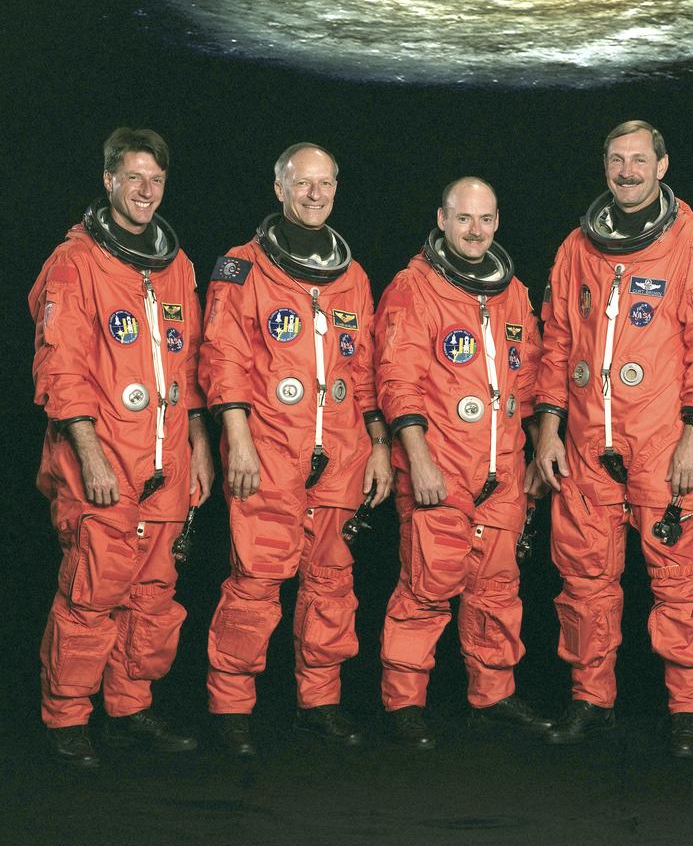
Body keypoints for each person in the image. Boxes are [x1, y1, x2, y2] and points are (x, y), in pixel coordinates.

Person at [533, 120, 693, 758]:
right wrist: (547, 425)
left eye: (639, 160)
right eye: (617, 160)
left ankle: (688, 710)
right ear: (605, 168)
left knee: (677, 580)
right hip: (588, 444)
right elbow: (557, 339)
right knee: (586, 580)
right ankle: (591, 700)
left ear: (663, 165)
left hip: (663, 443)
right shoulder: (576, 247)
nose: (628, 171)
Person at [30, 127, 214, 767]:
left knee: (152, 597)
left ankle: (130, 709)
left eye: (155, 180)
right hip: (102, 463)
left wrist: (199, 446)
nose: (144, 190)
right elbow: (61, 372)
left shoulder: (176, 265)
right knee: (91, 594)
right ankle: (67, 719)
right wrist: (91, 456)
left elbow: (187, 367)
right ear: (108, 180)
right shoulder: (75, 264)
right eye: (132, 177)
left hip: (165, 465)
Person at [201, 143, 391, 756]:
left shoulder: (353, 275)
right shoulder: (241, 267)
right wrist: (238, 443)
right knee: (255, 582)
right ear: (278, 187)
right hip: (268, 452)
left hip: (338, 452)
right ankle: (232, 708)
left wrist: (378, 445)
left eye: (326, 184)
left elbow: (362, 373)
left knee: (332, 582)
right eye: (302, 183)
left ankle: (321, 701)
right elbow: (223, 362)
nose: (315, 195)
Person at [374, 178, 550, 749]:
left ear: (497, 222)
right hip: (439, 467)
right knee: (425, 588)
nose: (475, 231)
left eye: (485, 219)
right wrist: (418, 462)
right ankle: (404, 704)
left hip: (502, 472)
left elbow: (526, 380)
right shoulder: (412, 288)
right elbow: (397, 384)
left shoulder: (514, 293)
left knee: (497, 591)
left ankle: (493, 696)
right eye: (463, 219)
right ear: (443, 220)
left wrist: (538, 445)